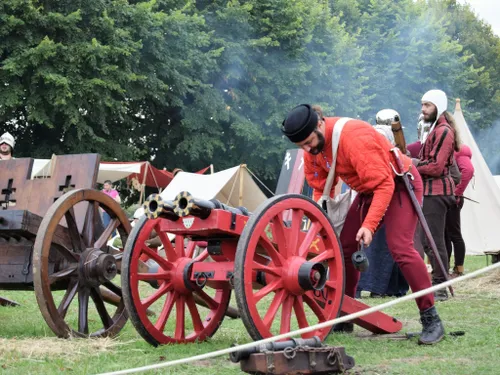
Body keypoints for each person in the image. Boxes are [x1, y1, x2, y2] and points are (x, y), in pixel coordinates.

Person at [281, 104, 444, 345]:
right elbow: (320, 187)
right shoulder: (313, 147)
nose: (307, 149)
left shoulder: (353, 138)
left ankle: (431, 319)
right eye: (301, 146)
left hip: (399, 183)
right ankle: (345, 313)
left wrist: (368, 225)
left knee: (400, 247)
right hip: (367, 191)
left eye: (308, 142)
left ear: (319, 123)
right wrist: (321, 222)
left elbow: (384, 185)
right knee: (345, 248)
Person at [356, 109, 409, 299]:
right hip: (383, 193)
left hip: (374, 192)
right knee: (381, 244)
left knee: (383, 245)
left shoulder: (370, 133)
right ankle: (379, 287)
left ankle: (385, 287)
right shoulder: (382, 138)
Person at [413, 90, 459, 302]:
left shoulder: (443, 131)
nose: (423, 110)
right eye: (423, 105)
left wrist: (412, 164)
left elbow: (436, 166)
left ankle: (440, 285)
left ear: (438, 107)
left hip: (436, 191)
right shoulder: (434, 129)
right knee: (426, 240)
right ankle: (438, 281)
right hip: (430, 191)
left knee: (434, 241)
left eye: (428, 105)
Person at [446, 144, 474, 277]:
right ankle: (444, 268)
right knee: (444, 234)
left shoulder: (459, 149)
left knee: (454, 234)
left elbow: (468, 171)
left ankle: (459, 268)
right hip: (444, 197)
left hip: (452, 198)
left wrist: (456, 193)